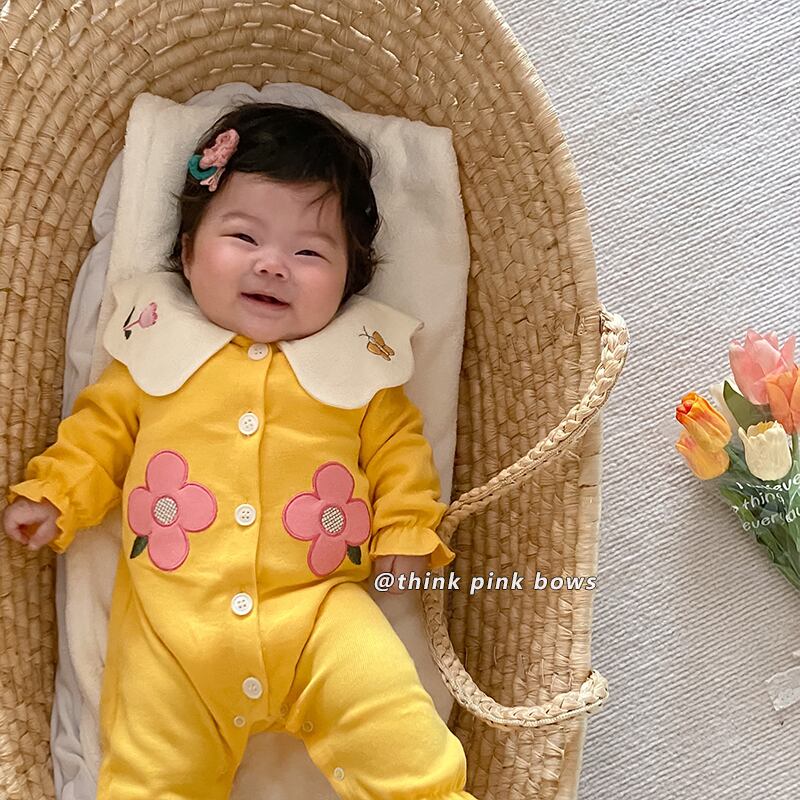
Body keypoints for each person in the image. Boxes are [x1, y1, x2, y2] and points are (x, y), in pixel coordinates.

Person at [2, 102, 476, 800]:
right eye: (243, 236)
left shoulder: (358, 369)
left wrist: (407, 527)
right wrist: (56, 495)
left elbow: (401, 455)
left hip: (319, 615)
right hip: (173, 632)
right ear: (188, 253)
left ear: (349, 281)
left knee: (395, 727)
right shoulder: (155, 354)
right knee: (147, 777)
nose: (272, 264)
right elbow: (96, 435)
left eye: (310, 253)